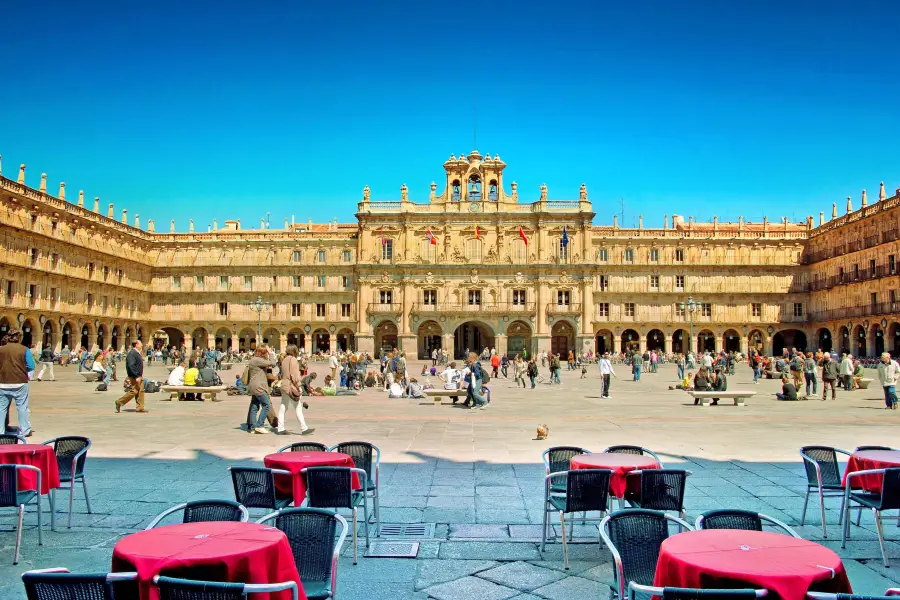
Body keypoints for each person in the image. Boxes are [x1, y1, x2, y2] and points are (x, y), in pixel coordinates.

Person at [0, 329, 35, 437]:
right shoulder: (24, 349)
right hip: (20, 382)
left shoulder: (1, 349)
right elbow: (31, 366)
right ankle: (25, 430)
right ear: (19, 337)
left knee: (1, 408)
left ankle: (1, 431)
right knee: (22, 407)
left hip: (3, 382)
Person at [277, 345, 314, 435]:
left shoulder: (285, 359)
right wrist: (298, 386)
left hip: (284, 384)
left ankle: (280, 428)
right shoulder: (293, 360)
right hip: (291, 386)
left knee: (283, 406)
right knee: (298, 407)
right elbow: (294, 375)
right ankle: (304, 428)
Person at [245, 345, 276, 434]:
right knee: (267, 405)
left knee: (254, 406)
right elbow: (273, 363)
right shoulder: (258, 360)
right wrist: (271, 353)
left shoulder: (253, 359)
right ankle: (259, 425)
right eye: (265, 352)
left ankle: (252, 427)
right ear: (263, 353)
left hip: (253, 386)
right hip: (259, 387)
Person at [115, 340, 148, 414]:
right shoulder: (132, 354)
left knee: (140, 391)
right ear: (136, 345)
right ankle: (119, 402)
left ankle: (140, 408)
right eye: (140, 344)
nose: (142, 345)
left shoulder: (137, 353)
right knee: (134, 391)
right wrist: (136, 376)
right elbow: (131, 365)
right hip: (135, 376)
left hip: (139, 375)